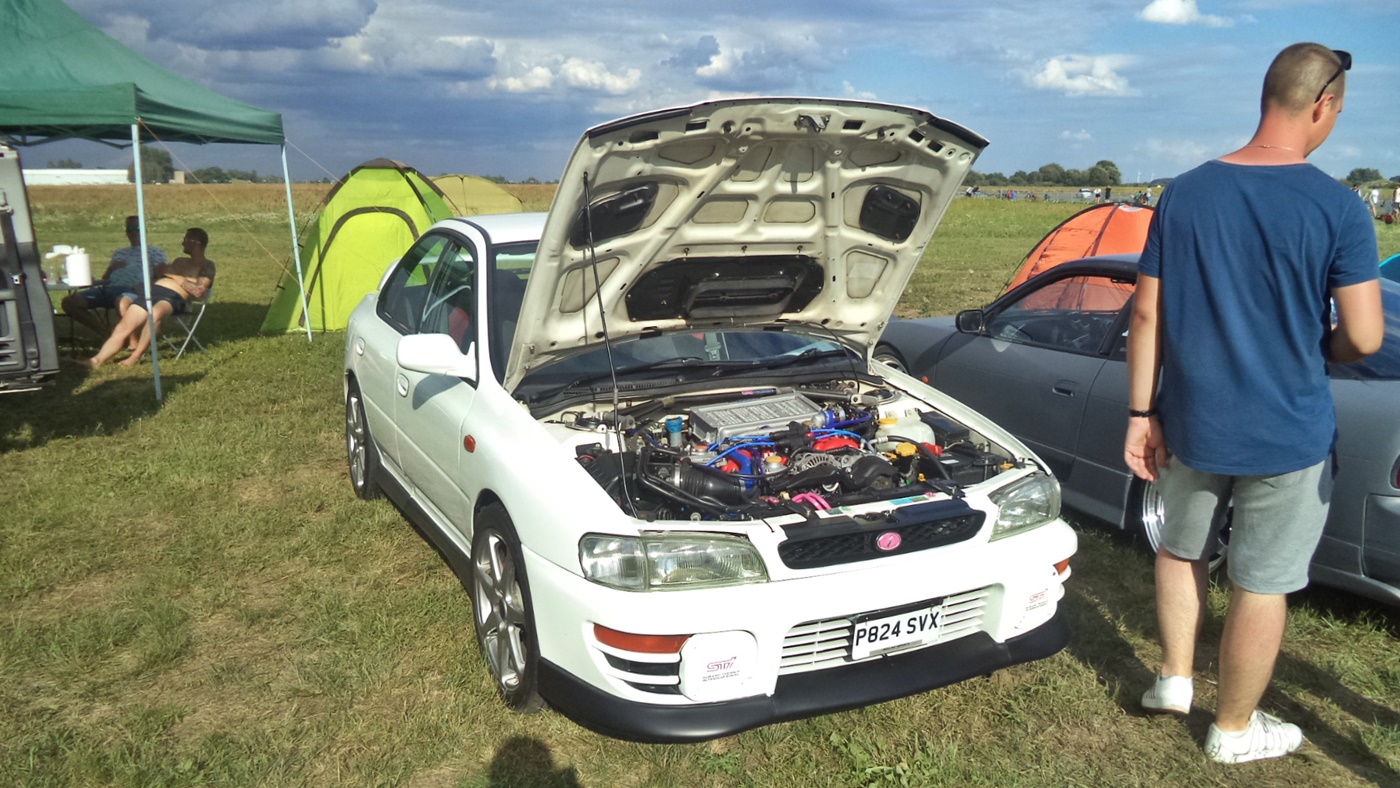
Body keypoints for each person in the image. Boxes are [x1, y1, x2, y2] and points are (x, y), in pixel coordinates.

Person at [1124, 44, 1383, 764]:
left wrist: (1141, 415)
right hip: (1288, 431)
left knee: (1180, 548)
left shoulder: (1185, 192)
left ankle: (1174, 678)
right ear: (1323, 105)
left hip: (1191, 419)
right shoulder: (1338, 206)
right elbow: (1362, 336)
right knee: (1259, 584)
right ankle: (1232, 729)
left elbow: (1147, 317)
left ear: (1267, 95)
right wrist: (1319, 350)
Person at [83, 228, 215, 369]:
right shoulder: (179, 261)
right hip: (154, 292)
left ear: (195, 243)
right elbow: (163, 274)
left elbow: (199, 290)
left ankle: (134, 356)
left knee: (155, 312)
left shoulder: (207, 265)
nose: (182, 243)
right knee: (124, 326)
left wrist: (177, 277)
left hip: (174, 298)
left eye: (185, 239)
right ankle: (97, 360)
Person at [59, 215, 167, 336]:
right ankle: (104, 333)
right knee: (69, 302)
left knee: (122, 302)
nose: (133, 232)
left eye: (137, 228)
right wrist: (110, 269)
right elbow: (106, 278)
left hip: (134, 290)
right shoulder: (119, 253)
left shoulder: (155, 252)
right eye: (129, 229)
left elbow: (161, 277)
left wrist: (146, 286)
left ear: (144, 230)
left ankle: (133, 341)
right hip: (108, 288)